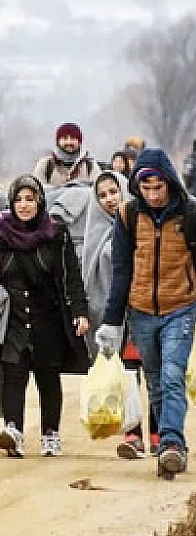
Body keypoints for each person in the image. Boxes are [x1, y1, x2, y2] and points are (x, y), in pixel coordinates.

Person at [96, 148, 196, 479]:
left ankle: (171, 444)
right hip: (140, 311)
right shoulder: (128, 216)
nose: (153, 195)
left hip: (179, 307)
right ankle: (166, 441)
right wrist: (111, 322)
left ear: (170, 183)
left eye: (159, 187)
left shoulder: (189, 214)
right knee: (154, 379)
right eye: (146, 188)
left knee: (171, 375)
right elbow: (121, 271)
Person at [0, 174, 90, 458]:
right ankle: (13, 431)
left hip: (48, 317)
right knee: (13, 376)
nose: (24, 205)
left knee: (48, 377)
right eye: (18, 199)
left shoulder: (55, 234)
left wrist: (79, 311)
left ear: (39, 201)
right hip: (12, 316)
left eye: (30, 199)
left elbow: (71, 276)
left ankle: (50, 434)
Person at [81, 171, 158, 459]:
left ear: (125, 191)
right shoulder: (94, 230)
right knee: (127, 375)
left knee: (155, 373)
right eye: (102, 195)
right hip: (114, 317)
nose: (110, 199)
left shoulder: (140, 222)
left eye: (114, 191)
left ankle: (159, 433)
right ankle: (132, 434)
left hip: (145, 309)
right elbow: (90, 274)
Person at [33, 122, 101, 185]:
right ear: (58, 141)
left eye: (73, 138)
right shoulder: (45, 165)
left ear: (79, 142)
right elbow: (37, 190)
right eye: (65, 138)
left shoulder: (90, 166)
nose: (69, 142)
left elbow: (100, 189)